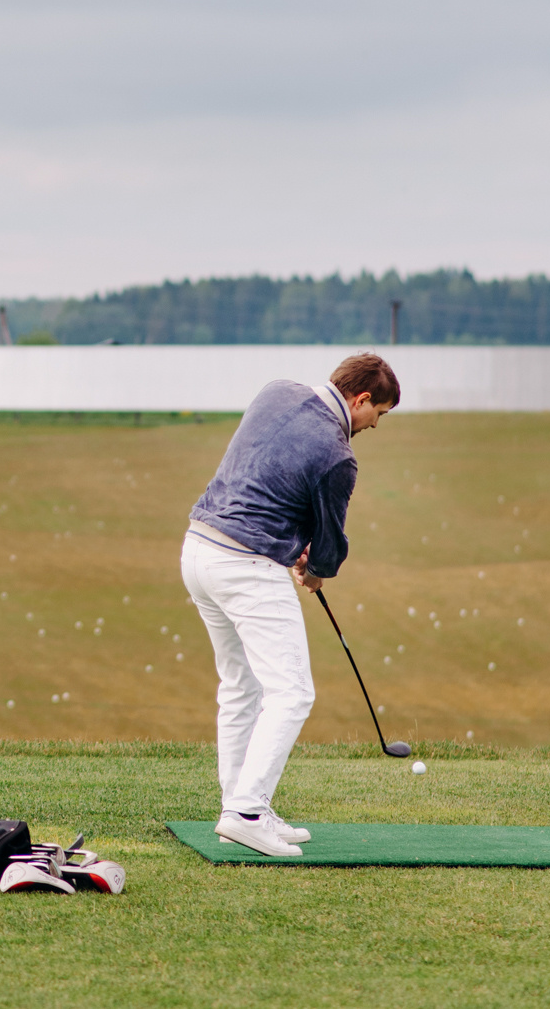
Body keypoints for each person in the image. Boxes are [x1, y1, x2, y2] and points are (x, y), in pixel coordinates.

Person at [181, 352, 398, 858]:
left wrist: (294, 545)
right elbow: (329, 539)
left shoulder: (275, 389)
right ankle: (246, 812)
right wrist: (315, 568)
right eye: (379, 414)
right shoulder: (339, 454)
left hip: (197, 549)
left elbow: (267, 471)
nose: (374, 425)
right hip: (244, 567)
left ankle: (240, 803)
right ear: (361, 399)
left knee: (240, 686)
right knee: (292, 692)